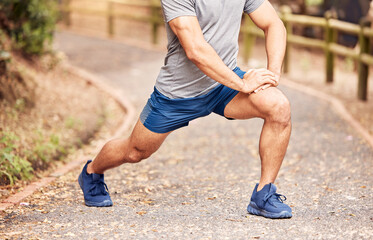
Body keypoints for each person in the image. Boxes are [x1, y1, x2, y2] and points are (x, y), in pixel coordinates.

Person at [78, 0, 292, 219]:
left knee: (279, 107)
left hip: (223, 85)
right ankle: (92, 172)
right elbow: (196, 50)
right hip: (179, 94)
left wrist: (272, 76)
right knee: (135, 151)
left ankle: (263, 195)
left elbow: (274, 24)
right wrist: (243, 84)